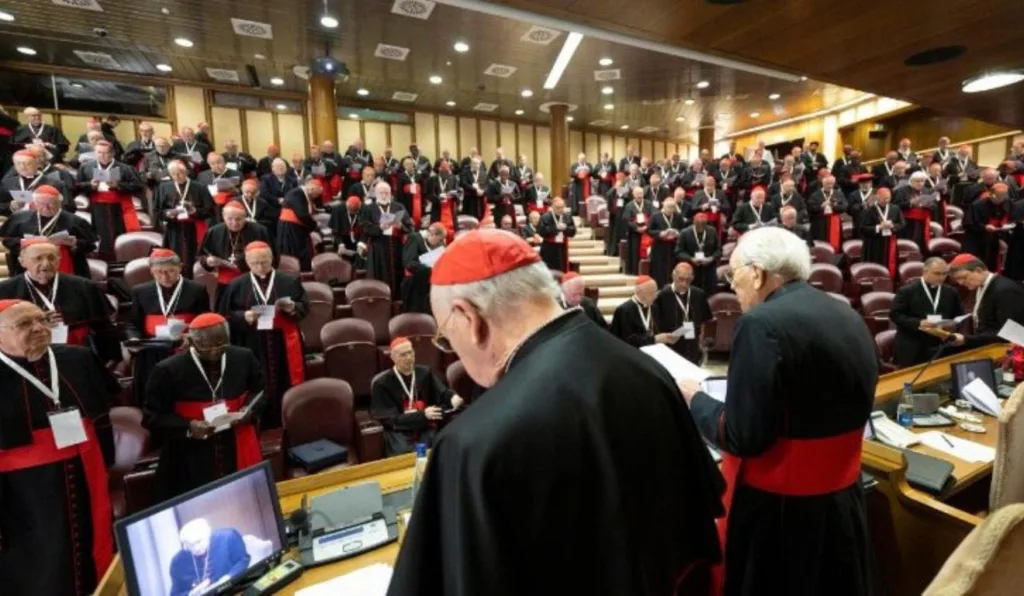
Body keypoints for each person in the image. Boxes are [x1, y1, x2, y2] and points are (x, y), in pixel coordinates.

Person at [389, 230, 723, 596]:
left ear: (468, 317)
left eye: (447, 336)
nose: (453, 349)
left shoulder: (472, 442)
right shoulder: (649, 370)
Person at [678, 226, 877, 596]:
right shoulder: (845, 311)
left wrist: (695, 400)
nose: (732, 286)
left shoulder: (761, 324)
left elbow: (743, 435)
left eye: (733, 274)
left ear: (757, 273)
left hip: (782, 514)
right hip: (842, 501)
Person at [0, 299, 116, 596]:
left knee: (95, 548)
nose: (39, 328)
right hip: (25, 493)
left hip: (87, 472)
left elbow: (101, 415)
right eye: (25, 324)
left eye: (42, 320)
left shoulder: (77, 358)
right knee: (43, 565)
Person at [144, 313, 264, 500]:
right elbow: (152, 417)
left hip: (237, 441)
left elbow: (260, 390)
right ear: (191, 342)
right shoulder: (167, 370)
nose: (216, 351)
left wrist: (249, 410)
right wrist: (189, 426)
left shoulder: (243, 357)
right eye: (207, 347)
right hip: (189, 455)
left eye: (222, 344)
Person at [216, 242, 306, 427]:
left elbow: (304, 307)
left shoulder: (288, 281)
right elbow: (224, 315)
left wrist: (293, 308)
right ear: (247, 262)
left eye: (264, 262)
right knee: (257, 383)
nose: (260, 267)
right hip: (251, 342)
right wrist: (243, 316)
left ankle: (289, 423)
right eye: (255, 263)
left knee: (285, 383)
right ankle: (259, 425)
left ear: (272, 259)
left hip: (283, 341)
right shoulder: (236, 285)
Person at [0, 239, 120, 362]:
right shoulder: (4, 290)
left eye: (51, 258)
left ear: (59, 260)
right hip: (24, 358)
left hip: (75, 356)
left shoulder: (84, 287)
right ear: (22, 262)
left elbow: (104, 329)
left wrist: (111, 361)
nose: (46, 264)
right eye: (38, 258)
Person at [125, 249, 210, 404]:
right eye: (159, 272)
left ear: (180, 267)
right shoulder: (140, 291)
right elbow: (133, 323)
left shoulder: (197, 290)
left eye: (170, 271)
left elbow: (204, 321)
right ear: (151, 271)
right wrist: (135, 339)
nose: (165, 277)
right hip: (152, 351)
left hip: (185, 349)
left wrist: (191, 336)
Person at [370, 337, 462, 457]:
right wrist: (422, 415)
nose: (409, 358)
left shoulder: (424, 373)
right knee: (403, 454)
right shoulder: (382, 383)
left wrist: (453, 397)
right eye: (403, 355)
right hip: (399, 430)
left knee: (436, 447)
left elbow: (442, 392)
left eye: (410, 352)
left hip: (425, 426)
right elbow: (389, 420)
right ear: (393, 358)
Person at [0, 184, 96, 278]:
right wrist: (23, 242)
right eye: (41, 204)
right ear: (35, 203)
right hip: (28, 268)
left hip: (65, 268)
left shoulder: (75, 221)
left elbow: (91, 245)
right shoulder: (20, 218)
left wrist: (74, 243)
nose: (46, 208)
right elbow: (7, 240)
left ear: (59, 203)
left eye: (51, 204)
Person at [75, 140, 145, 258]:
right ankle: (104, 258)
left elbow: (138, 186)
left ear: (112, 153)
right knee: (101, 234)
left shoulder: (125, 168)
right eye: (99, 153)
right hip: (97, 206)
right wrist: (89, 185)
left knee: (119, 232)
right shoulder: (86, 167)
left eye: (105, 153)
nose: (102, 156)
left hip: (118, 206)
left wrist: (118, 185)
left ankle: (122, 256)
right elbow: (76, 185)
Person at [890, 258, 963, 367]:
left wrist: (953, 326)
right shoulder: (907, 291)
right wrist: (918, 323)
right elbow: (895, 315)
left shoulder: (951, 292)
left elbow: (959, 315)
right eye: (937, 273)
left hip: (941, 343)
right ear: (925, 272)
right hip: (913, 344)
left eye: (944, 274)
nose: (941, 277)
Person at [946, 255, 1024, 348]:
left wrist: (967, 339)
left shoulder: (1004, 290)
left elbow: (1011, 333)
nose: (961, 283)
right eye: (957, 280)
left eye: (964, 277)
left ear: (978, 270)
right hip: (987, 343)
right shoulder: (980, 285)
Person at [154, 160, 214, 277]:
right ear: (170, 174)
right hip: (173, 230)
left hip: (194, 229)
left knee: (193, 259)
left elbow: (210, 210)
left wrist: (195, 211)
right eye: (174, 173)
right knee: (175, 258)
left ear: (186, 171)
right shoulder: (163, 187)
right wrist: (167, 214)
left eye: (181, 172)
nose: (177, 176)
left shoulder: (200, 187)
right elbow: (157, 211)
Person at [199, 200, 272, 295]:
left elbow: (272, 256)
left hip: (253, 277)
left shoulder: (260, 231)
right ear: (223, 217)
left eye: (238, 219)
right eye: (230, 219)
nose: (234, 223)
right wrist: (207, 261)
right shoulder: (214, 231)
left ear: (245, 217)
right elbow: (202, 254)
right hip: (224, 279)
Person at [169, 519, 250, 596]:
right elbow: (175, 594)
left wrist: (229, 577)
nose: (196, 548)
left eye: (199, 542)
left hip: (232, 590)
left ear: (208, 535)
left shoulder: (228, 537)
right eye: (190, 545)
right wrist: (192, 594)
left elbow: (243, 560)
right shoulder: (177, 562)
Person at [652, 262, 712, 364]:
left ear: (692, 278)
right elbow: (655, 326)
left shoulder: (699, 294)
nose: (684, 284)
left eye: (688, 280)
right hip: (670, 348)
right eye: (681, 279)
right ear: (673, 276)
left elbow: (705, 320)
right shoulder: (661, 296)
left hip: (692, 347)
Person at [361, 180, 413, 294]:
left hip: (396, 246)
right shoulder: (369, 208)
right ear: (376, 194)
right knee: (379, 274)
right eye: (381, 193)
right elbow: (364, 227)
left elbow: (410, 225)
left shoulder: (399, 206)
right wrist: (379, 227)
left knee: (397, 274)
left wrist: (401, 226)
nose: (384, 195)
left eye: (387, 192)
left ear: (390, 193)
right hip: (377, 247)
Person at [2, 149, 72, 215]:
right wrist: (11, 206)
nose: (22, 167)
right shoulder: (7, 183)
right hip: (15, 222)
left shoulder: (56, 184)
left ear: (37, 164)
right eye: (18, 164)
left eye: (28, 164)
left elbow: (69, 208)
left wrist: (48, 209)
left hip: (46, 223)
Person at [610, 276, 673, 347]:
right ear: (641, 293)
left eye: (656, 292)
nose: (655, 296)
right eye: (652, 293)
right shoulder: (624, 310)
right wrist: (654, 339)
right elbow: (627, 340)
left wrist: (667, 338)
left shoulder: (654, 308)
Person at [276, 177, 323, 271]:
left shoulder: (302, 194)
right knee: (294, 255)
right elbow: (302, 215)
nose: (315, 197)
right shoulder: (296, 193)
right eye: (316, 195)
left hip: (297, 229)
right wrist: (314, 225)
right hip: (290, 230)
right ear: (312, 189)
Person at [962, 182, 1012, 271]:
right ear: (991, 194)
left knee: (991, 262)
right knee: (974, 264)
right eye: (999, 197)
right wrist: (984, 227)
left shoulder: (1005, 202)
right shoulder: (977, 205)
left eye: (1003, 197)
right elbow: (968, 223)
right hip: (976, 239)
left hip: (993, 238)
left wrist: (1004, 224)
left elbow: (1006, 215)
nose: (1001, 200)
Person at [860, 187, 906, 279]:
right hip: (873, 243)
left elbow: (902, 223)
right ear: (877, 197)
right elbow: (863, 228)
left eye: (888, 198)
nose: (886, 200)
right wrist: (879, 227)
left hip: (889, 241)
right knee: (874, 265)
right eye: (884, 198)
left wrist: (892, 226)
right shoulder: (869, 209)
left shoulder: (895, 208)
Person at [401, 223, 447, 314]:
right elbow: (409, 263)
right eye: (440, 240)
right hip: (413, 285)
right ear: (433, 234)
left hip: (427, 285)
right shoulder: (414, 238)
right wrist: (431, 269)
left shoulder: (435, 245)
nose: (441, 243)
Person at [675, 213, 721, 297]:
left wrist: (711, 258)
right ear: (694, 222)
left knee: (710, 294)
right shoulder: (685, 232)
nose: (700, 228)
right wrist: (690, 258)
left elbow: (718, 250)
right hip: (691, 268)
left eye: (703, 226)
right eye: (698, 226)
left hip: (709, 268)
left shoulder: (712, 231)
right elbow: (678, 251)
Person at [646, 197, 685, 287]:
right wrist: (660, 233)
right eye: (669, 207)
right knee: (659, 268)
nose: (671, 210)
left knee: (673, 267)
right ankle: (660, 286)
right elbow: (649, 230)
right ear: (664, 205)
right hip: (659, 246)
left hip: (673, 246)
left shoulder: (678, 216)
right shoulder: (655, 216)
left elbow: (683, 229)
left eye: (673, 207)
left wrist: (677, 233)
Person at [893, 171, 934, 253]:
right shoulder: (901, 191)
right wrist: (910, 203)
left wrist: (929, 205)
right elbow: (895, 206)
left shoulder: (927, 191)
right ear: (911, 181)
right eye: (917, 181)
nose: (920, 183)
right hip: (907, 223)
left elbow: (934, 205)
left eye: (922, 181)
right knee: (910, 244)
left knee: (921, 242)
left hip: (923, 222)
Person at [807, 175, 848, 251]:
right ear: (823, 184)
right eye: (827, 183)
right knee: (821, 243)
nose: (829, 186)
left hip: (835, 222)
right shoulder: (815, 195)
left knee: (836, 243)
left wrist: (833, 206)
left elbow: (844, 206)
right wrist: (821, 206)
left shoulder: (839, 194)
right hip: (820, 223)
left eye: (831, 184)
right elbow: (810, 208)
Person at [197, 153, 241, 223]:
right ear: (209, 164)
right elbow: (199, 192)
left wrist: (235, 190)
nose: (216, 166)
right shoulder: (202, 175)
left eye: (219, 162)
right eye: (213, 164)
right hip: (210, 210)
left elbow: (241, 192)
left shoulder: (236, 174)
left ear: (224, 162)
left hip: (229, 208)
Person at [621, 186, 654, 276]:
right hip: (634, 233)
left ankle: (646, 270)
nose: (639, 195)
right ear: (633, 195)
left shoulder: (648, 204)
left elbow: (653, 216)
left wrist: (646, 227)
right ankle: (635, 270)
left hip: (646, 233)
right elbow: (626, 219)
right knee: (635, 252)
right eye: (637, 194)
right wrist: (636, 228)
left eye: (641, 193)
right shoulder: (629, 205)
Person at [538, 197, 575, 272]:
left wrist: (566, 229)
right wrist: (555, 228)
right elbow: (541, 232)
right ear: (552, 207)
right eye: (558, 208)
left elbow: (573, 231)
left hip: (562, 247)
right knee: (549, 270)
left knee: (562, 269)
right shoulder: (545, 217)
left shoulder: (567, 216)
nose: (560, 210)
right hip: (549, 247)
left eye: (562, 207)